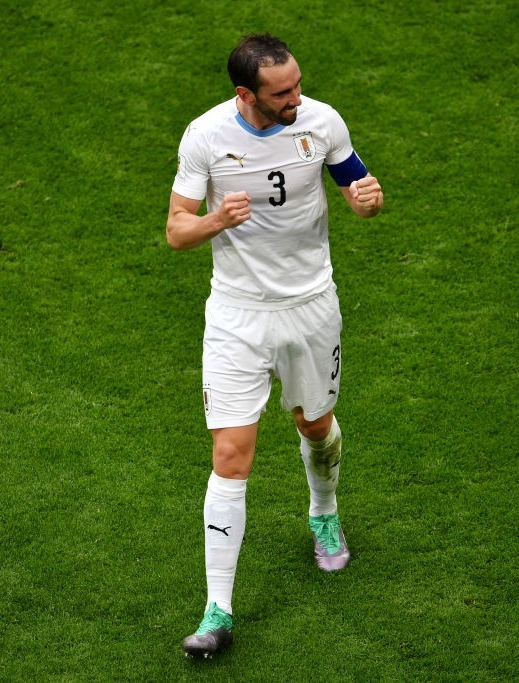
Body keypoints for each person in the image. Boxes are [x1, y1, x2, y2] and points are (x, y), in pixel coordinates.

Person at [166, 33, 384, 659]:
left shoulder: (321, 120)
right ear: (246, 95)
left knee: (314, 425)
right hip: (236, 318)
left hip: (311, 307)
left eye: (296, 85)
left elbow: (357, 188)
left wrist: (367, 202)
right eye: (281, 92)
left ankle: (323, 511)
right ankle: (217, 610)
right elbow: (178, 231)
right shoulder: (205, 137)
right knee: (232, 453)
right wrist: (216, 221)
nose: (296, 97)